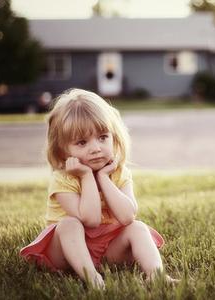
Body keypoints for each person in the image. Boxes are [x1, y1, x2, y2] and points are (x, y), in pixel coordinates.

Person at [20, 88, 174, 289]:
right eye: (82, 142)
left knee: (138, 228)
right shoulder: (63, 179)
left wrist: (103, 177)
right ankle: (92, 277)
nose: (95, 148)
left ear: (114, 137)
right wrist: (86, 176)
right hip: (69, 251)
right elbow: (90, 220)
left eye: (102, 137)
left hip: (107, 249)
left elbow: (128, 216)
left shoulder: (118, 173)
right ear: (62, 150)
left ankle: (157, 276)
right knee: (68, 224)